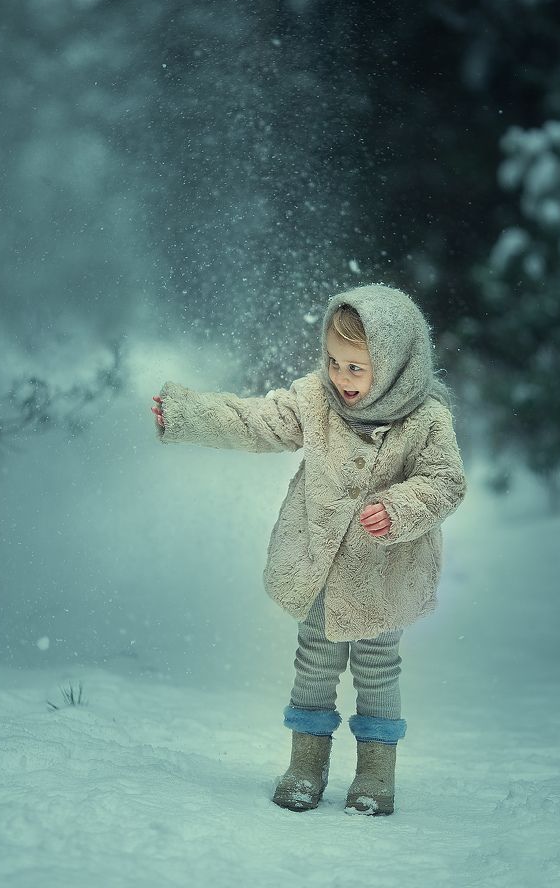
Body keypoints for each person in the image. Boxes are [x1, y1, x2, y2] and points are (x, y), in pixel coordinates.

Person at [151, 283, 467, 816]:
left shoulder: (426, 419)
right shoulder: (316, 401)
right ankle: (305, 767)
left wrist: (399, 508)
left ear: (394, 365)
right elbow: (257, 421)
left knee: (377, 669)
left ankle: (375, 776)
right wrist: (187, 415)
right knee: (314, 664)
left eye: (356, 368)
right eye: (335, 363)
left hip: (383, 576)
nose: (341, 378)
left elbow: (446, 482)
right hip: (318, 567)